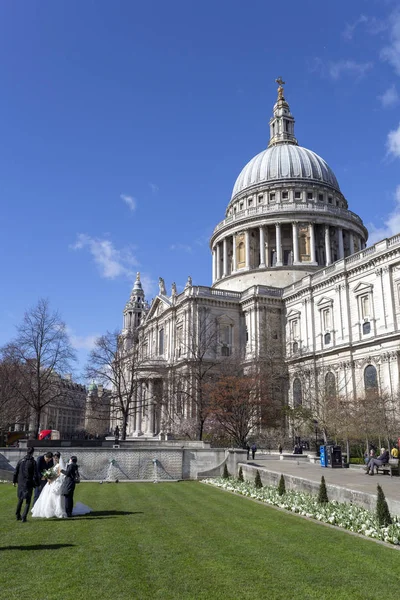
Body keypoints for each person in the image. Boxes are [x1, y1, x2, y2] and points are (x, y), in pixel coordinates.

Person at [32, 452, 67, 518]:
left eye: (56, 458)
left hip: (55, 481)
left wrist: (51, 478)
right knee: (47, 496)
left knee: (54, 496)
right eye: (54, 458)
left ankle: (56, 510)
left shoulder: (59, 465)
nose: (55, 459)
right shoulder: (55, 464)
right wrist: (49, 476)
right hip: (51, 481)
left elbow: (59, 474)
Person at [13, 447, 39, 522]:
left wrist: (14, 481)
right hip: (28, 483)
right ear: (32, 452)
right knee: (28, 500)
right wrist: (37, 484)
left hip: (21, 482)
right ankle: (24, 517)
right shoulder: (33, 462)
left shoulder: (21, 461)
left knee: (20, 499)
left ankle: (18, 515)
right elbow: (35, 474)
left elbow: (16, 471)